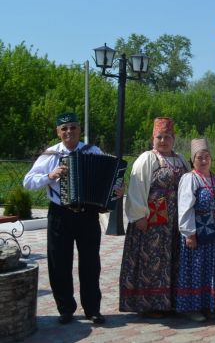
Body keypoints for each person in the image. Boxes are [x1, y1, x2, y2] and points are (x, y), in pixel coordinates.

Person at [23, 112, 106, 324]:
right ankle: (65, 309)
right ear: (58, 132)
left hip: (88, 214)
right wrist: (49, 176)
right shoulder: (50, 155)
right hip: (60, 214)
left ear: (79, 129)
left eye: (73, 127)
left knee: (90, 262)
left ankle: (92, 309)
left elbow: (108, 176)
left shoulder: (93, 151)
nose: (69, 131)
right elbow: (28, 182)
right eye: (64, 128)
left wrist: (114, 189)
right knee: (59, 262)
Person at [119, 117, 189, 316]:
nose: (163, 140)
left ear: (174, 139)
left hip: (175, 223)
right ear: (153, 138)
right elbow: (136, 188)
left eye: (167, 137)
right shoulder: (147, 159)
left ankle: (171, 301)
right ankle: (150, 304)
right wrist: (139, 215)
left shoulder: (181, 159)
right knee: (152, 261)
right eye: (159, 137)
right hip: (152, 222)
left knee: (173, 260)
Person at [176, 138, 215, 321]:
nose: (204, 161)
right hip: (197, 231)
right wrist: (189, 233)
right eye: (199, 157)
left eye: (207, 157)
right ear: (192, 160)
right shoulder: (189, 179)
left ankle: (211, 305)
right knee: (196, 267)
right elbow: (185, 207)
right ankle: (193, 307)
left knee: (213, 268)